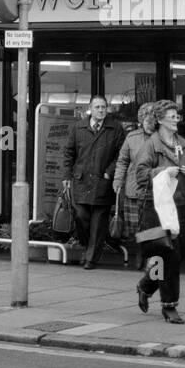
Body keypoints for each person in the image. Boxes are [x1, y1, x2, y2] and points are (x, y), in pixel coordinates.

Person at [134, 98, 185, 324]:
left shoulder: (183, 142)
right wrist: (163, 171)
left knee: (177, 253)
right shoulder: (151, 144)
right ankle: (169, 305)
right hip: (160, 207)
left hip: (181, 204)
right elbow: (141, 174)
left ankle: (146, 285)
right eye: (173, 116)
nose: (177, 120)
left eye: (177, 116)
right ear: (160, 119)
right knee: (168, 256)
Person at [61, 95, 125, 269]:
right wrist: (66, 176)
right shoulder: (78, 128)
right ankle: (89, 246)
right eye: (97, 107)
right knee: (81, 216)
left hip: (102, 181)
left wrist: (109, 172)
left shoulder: (116, 128)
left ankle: (91, 258)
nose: (101, 110)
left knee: (98, 221)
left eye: (103, 107)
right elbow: (68, 153)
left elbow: (121, 155)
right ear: (90, 108)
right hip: (81, 180)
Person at [112, 102, 157, 268]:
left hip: (154, 189)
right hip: (133, 189)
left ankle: (149, 258)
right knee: (135, 228)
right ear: (141, 120)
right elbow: (122, 161)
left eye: (153, 119)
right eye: (147, 119)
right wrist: (118, 180)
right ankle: (140, 251)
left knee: (151, 226)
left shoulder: (162, 137)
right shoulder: (131, 137)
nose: (150, 123)